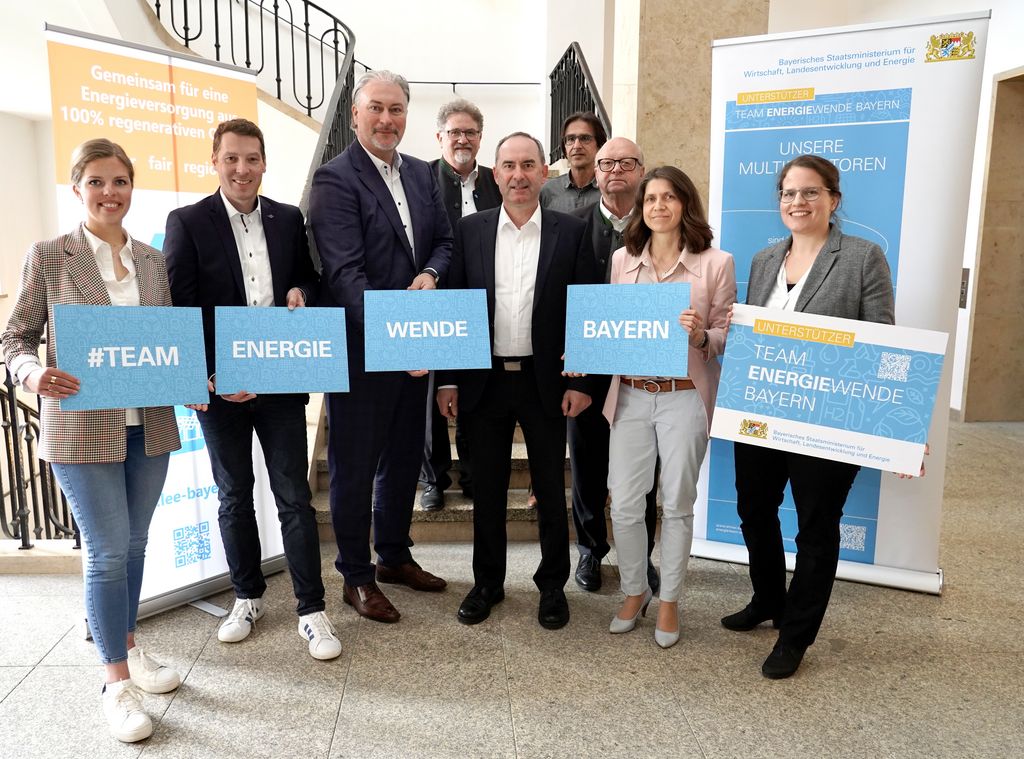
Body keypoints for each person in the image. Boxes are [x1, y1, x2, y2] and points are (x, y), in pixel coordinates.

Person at [2, 139, 183, 742]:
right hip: (80, 426)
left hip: (149, 423)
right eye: (97, 182)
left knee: (134, 545)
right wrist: (31, 373)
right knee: (106, 551)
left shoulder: (152, 260)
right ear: (77, 188)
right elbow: (15, 337)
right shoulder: (50, 255)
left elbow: (165, 339)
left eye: (120, 181)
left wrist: (195, 379)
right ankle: (115, 682)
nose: (110, 193)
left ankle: (128, 646)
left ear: (132, 187)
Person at [163, 119, 341, 661]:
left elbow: (312, 277)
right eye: (232, 158)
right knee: (235, 495)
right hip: (220, 386)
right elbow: (180, 304)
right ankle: (247, 597)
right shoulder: (188, 221)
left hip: (280, 378)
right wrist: (210, 375)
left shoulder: (288, 218)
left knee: (294, 497)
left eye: (252, 159)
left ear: (264, 163)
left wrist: (301, 290)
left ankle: (312, 609)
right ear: (215, 161)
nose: (242, 169)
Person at [722, 154, 895, 678]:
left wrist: (896, 427)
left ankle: (795, 636)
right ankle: (768, 600)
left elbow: (882, 343)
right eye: (789, 193)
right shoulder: (764, 259)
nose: (797, 202)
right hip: (762, 414)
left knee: (816, 527)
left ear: (833, 199)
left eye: (810, 192)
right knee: (754, 509)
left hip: (828, 420)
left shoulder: (863, 257)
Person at [437, 132, 599, 630]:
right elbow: (455, 307)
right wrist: (447, 380)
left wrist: (583, 382)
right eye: (509, 166)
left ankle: (552, 586)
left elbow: (586, 306)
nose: (519, 175)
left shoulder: (572, 232)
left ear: (544, 172)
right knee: (486, 490)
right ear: (496, 173)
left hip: (545, 381)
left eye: (528, 165)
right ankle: (487, 583)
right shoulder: (471, 230)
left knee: (550, 489)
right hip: (483, 380)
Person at [308, 70, 452, 624]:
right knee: (354, 467)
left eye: (396, 109)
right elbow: (345, 275)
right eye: (376, 108)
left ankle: (393, 556)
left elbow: (444, 242)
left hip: (416, 346)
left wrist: (432, 274)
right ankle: (356, 575)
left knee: (404, 457)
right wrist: (398, 341)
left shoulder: (421, 173)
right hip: (364, 352)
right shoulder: (334, 179)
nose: (387, 119)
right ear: (355, 115)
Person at [603, 166, 736, 648]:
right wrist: (583, 354)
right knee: (624, 502)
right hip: (630, 395)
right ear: (641, 208)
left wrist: (701, 335)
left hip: (684, 396)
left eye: (669, 197)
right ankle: (634, 590)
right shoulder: (622, 260)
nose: (659, 206)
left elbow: (725, 336)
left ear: (685, 204)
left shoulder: (717, 263)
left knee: (677, 502)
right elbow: (609, 328)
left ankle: (670, 601)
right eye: (651, 199)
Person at [567, 136, 660, 593]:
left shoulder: (661, 224)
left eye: (626, 163)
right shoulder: (571, 226)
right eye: (607, 164)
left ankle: (640, 557)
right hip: (588, 367)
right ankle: (590, 549)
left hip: (644, 367)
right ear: (595, 172)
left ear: (642, 171)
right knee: (586, 463)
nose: (616, 171)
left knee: (643, 468)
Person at [420, 98, 502, 511]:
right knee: (431, 391)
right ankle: (433, 478)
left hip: (483, 301)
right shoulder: (420, 179)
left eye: (470, 132)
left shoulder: (497, 182)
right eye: (455, 132)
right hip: (434, 299)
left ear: (480, 138)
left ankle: (472, 472)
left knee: (475, 390)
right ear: (440, 137)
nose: (463, 139)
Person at [539, 111, 605, 213]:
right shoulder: (547, 191)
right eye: (570, 139)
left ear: (599, 145)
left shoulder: (608, 190)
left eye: (585, 138)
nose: (576, 146)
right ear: (564, 147)